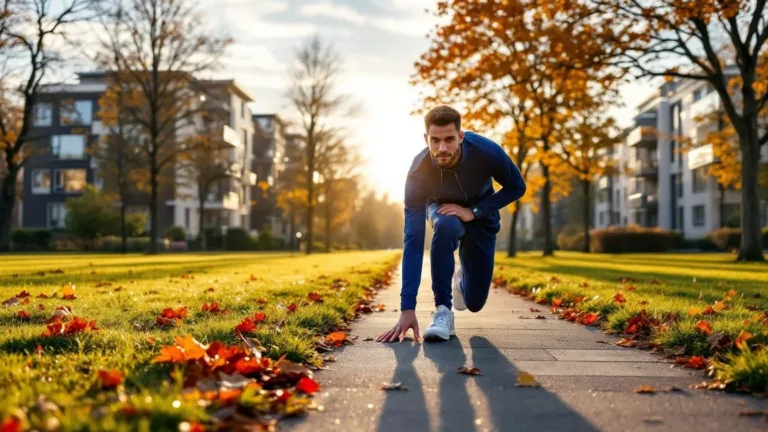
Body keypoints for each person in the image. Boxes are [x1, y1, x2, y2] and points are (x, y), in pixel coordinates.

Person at [376, 105, 526, 343]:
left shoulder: (487, 151)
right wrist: (407, 308)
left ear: (461, 136)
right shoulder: (418, 172)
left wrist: (474, 211)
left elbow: (517, 187)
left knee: (475, 303)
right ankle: (443, 312)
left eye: (449, 139)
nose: (442, 148)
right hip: (442, 210)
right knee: (445, 225)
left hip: (481, 215)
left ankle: (460, 279)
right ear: (426, 139)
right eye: (435, 141)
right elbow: (413, 242)